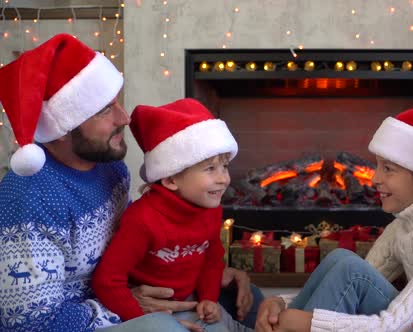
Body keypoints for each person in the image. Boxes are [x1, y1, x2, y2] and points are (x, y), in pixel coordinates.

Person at [0, 34, 261, 332]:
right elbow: (28, 324)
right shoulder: (30, 200)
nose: (124, 118)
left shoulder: (111, 169)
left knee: (240, 297)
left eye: (117, 103)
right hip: (87, 320)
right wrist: (125, 307)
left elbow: (139, 236)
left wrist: (198, 266)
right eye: (104, 110)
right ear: (61, 127)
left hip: (122, 293)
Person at [255, 98, 413, 332]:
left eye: (388, 169)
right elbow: (351, 284)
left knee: (351, 269)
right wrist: (282, 305)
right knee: (342, 259)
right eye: (377, 166)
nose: (375, 179)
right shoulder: (404, 226)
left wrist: (306, 322)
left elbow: (397, 324)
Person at [92, 98, 250, 332]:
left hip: (191, 300)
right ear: (170, 179)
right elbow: (107, 280)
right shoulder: (143, 220)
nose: (224, 178)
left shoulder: (209, 209)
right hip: (149, 310)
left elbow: (212, 258)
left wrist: (208, 297)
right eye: (210, 169)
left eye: (224, 166)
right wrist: (144, 321)